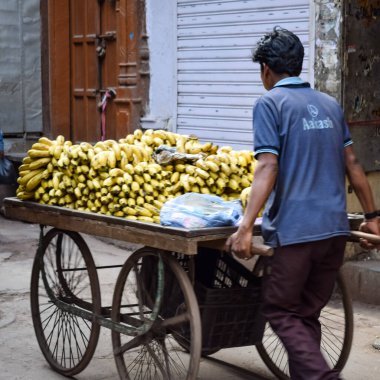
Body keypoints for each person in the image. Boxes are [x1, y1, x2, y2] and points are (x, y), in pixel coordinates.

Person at [224, 26, 380, 380]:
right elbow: (353, 164)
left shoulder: (270, 103)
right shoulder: (329, 104)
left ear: (266, 69)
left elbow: (267, 164)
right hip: (334, 232)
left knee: (280, 311)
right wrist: (372, 216)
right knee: (306, 313)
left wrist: (246, 226)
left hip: (298, 233)